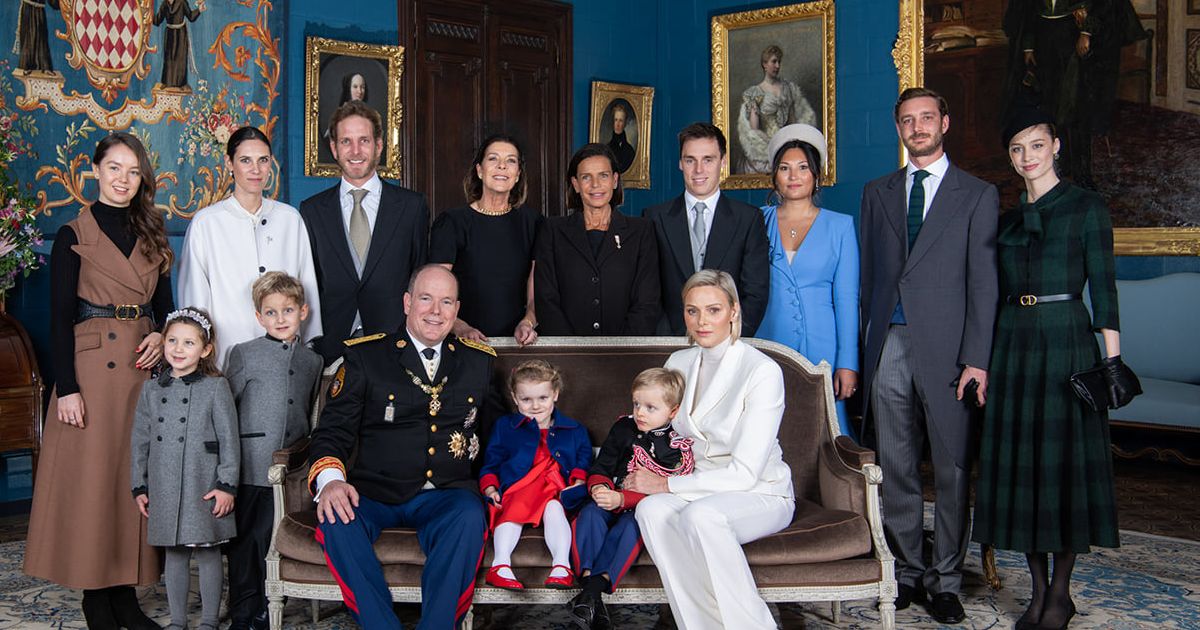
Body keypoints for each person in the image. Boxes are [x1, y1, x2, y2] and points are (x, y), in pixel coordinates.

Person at [973, 108, 1138, 630]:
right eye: (1018, 150)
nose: (1027, 158)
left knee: (1061, 471)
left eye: (1036, 146)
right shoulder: (1007, 219)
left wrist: (1111, 363)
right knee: (1024, 473)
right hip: (1013, 346)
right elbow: (989, 294)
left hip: (1067, 340)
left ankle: (1061, 595)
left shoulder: (1087, 208)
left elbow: (1105, 291)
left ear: (1056, 146)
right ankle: (1039, 593)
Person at [859, 87, 999, 624]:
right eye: (906, 120)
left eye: (926, 118)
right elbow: (871, 278)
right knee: (895, 464)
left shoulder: (977, 194)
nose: (917, 127)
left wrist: (977, 358)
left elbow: (984, 285)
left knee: (951, 466)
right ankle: (907, 573)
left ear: (945, 122)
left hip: (950, 350)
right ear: (898, 129)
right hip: (889, 342)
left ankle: (945, 579)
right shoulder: (877, 192)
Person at [25, 132, 174, 630]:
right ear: (95, 171)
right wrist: (64, 387)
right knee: (94, 485)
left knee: (132, 481)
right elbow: (59, 317)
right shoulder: (74, 232)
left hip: (139, 368)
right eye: (114, 169)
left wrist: (161, 335)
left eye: (133, 172)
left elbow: (166, 309)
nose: (123, 181)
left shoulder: (153, 230)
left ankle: (126, 594)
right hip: (90, 372)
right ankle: (97, 596)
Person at [308, 265, 493, 630]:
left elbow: (498, 433)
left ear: (457, 310)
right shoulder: (366, 357)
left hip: (446, 494)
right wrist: (330, 481)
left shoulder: (478, 361)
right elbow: (332, 430)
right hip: (376, 492)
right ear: (407, 302)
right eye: (425, 299)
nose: (435, 311)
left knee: (471, 515)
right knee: (336, 519)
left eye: (445, 302)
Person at [628, 270, 795, 630]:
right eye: (692, 311)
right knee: (652, 511)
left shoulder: (762, 371)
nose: (702, 321)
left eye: (714, 310)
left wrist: (666, 485)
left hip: (759, 491)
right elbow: (661, 432)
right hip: (698, 485)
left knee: (702, 517)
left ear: (734, 311)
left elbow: (746, 472)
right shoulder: (678, 363)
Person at [223, 272, 323, 630]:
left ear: (303, 312)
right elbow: (224, 409)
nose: (280, 319)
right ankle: (243, 613)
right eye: (271, 312)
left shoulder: (313, 362)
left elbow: (308, 407)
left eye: (288, 310)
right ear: (258, 317)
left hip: (290, 470)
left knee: (273, 538)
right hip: (250, 464)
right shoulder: (243, 354)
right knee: (246, 543)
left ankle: (268, 608)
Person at [130, 307, 239, 630]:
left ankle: (208, 621)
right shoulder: (151, 389)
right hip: (164, 483)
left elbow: (230, 441)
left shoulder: (215, 387)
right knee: (174, 554)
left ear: (205, 350)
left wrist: (227, 485)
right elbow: (140, 441)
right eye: (172, 340)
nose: (178, 349)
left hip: (202, 482)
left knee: (207, 555)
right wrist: (139, 485)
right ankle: (177, 620)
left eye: (188, 343)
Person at [179, 126, 322, 367]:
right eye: (246, 160)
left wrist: (305, 347)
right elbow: (194, 298)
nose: (256, 170)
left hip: (284, 356)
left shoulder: (290, 219)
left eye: (263, 160)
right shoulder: (206, 223)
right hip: (225, 355)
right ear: (229, 163)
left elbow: (306, 285)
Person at [301, 100, 430, 364]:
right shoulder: (312, 210)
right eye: (346, 141)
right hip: (331, 346)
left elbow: (421, 275)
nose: (356, 150)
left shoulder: (411, 207)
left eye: (364, 140)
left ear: (379, 146)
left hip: (396, 344)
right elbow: (308, 282)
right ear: (334, 149)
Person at [569, 367, 694, 630]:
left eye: (650, 407)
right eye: (637, 404)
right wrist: (599, 489)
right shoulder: (623, 427)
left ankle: (589, 594)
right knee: (590, 515)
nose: (640, 412)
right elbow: (602, 466)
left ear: (672, 412)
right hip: (608, 497)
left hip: (637, 506)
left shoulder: (674, 446)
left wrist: (622, 500)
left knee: (631, 527)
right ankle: (592, 597)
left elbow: (662, 490)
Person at [757, 124, 859, 438]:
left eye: (803, 168)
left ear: (816, 174)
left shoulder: (840, 226)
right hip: (767, 342)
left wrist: (848, 363)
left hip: (823, 346)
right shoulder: (757, 221)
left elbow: (846, 299)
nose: (794, 176)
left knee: (826, 432)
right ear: (775, 176)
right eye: (785, 169)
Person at [644, 122, 770, 337]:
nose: (698, 170)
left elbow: (755, 293)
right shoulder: (654, 218)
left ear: (723, 161)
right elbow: (649, 293)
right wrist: (667, 341)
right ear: (680, 163)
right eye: (690, 160)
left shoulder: (748, 219)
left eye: (708, 160)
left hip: (729, 344)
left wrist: (730, 339)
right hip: (670, 344)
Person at [479, 360, 591, 590]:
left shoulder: (574, 429)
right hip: (518, 487)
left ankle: (561, 566)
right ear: (514, 397)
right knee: (513, 506)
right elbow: (491, 461)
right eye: (526, 399)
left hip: (557, 489)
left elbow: (584, 458)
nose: (535, 406)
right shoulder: (505, 426)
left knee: (554, 508)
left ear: (555, 394)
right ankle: (500, 565)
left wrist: (578, 481)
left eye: (543, 398)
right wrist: (490, 487)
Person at [535, 143, 660, 336]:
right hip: (566, 355)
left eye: (603, 175)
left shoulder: (642, 231)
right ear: (575, 184)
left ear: (615, 180)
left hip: (626, 354)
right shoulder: (552, 231)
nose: (595, 185)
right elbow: (546, 298)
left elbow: (647, 301)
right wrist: (571, 350)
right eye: (586, 177)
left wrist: (622, 350)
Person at [430, 134, 542, 344]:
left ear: (517, 174)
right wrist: (461, 328)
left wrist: (528, 322)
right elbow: (436, 291)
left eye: (510, 161)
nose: (502, 166)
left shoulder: (534, 223)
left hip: (518, 343)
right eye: (493, 159)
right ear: (480, 170)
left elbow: (535, 292)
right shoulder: (451, 223)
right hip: (462, 341)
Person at [736, 44, 817, 174]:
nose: (777, 66)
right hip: (765, 146)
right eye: (774, 62)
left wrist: (788, 142)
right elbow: (754, 129)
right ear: (764, 64)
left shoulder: (789, 89)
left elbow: (792, 122)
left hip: (787, 144)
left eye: (779, 62)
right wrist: (773, 144)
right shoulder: (754, 93)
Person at [154, 0, 205, 89]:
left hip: (181, 33)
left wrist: (199, 10)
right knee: (169, 58)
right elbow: (157, 20)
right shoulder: (164, 4)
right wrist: (148, 15)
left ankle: (181, 84)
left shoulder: (182, 2)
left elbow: (191, 17)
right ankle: (167, 82)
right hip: (170, 33)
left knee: (180, 58)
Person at [15, 0, 60, 74]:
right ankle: (26, 66)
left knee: (42, 39)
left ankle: (45, 67)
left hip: (40, 9)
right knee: (29, 38)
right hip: (28, 8)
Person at [606, 103, 636, 174]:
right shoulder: (607, 149)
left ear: (625, 123)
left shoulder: (630, 150)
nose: (618, 124)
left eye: (621, 120)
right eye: (616, 120)